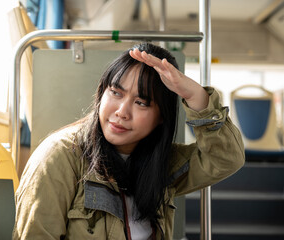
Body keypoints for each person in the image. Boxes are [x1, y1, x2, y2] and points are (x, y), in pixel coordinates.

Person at [13, 42, 245, 240]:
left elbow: (226, 158)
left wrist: (195, 96)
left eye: (141, 103)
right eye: (116, 92)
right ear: (102, 93)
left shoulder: (161, 162)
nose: (122, 112)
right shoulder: (60, 157)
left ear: (161, 118)